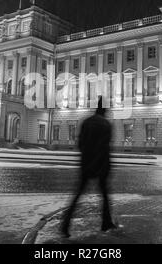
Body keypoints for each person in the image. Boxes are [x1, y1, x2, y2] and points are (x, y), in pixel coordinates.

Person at [61, 96, 117, 237]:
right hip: (101, 165)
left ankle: (65, 224)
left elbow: (80, 144)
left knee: (78, 195)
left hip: (86, 164)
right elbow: (105, 147)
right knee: (104, 195)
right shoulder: (106, 124)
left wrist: (86, 158)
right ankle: (106, 223)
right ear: (104, 109)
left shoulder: (87, 122)